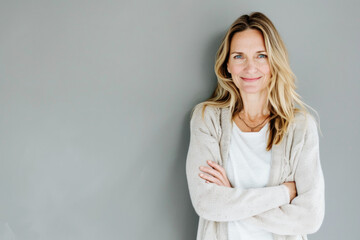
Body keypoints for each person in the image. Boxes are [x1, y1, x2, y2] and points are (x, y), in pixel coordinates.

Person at [185, 12, 325, 240]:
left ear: (274, 62)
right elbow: (207, 204)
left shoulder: (300, 127)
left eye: (261, 56)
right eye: (239, 56)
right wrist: (284, 193)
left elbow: (310, 218)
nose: (250, 68)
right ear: (227, 65)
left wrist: (230, 196)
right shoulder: (207, 119)